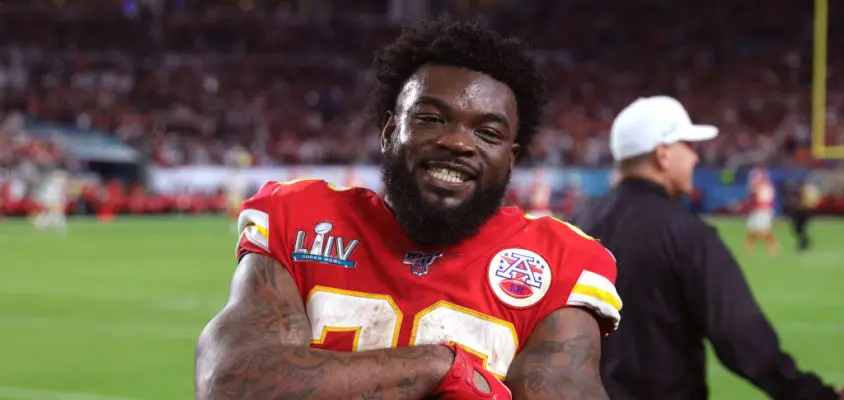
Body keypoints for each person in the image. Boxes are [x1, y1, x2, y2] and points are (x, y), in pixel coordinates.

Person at [195, 17, 623, 400]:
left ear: (510, 159)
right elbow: (230, 385)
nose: (457, 142)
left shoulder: (558, 261)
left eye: (488, 133)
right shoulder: (301, 222)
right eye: (431, 119)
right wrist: (436, 367)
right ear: (388, 131)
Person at [569, 95, 842, 400]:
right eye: (688, 146)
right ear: (663, 154)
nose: (695, 158)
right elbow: (741, 336)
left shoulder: (575, 225)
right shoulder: (685, 233)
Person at [745, 167, 779, 254]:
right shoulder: (756, 187)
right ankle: (749, 247)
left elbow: (764, 201)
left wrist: (755, 191)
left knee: (764, 230)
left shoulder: (766, 187)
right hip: (756, 210)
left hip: (763, 210)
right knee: (752, 229)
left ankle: (773, 247)